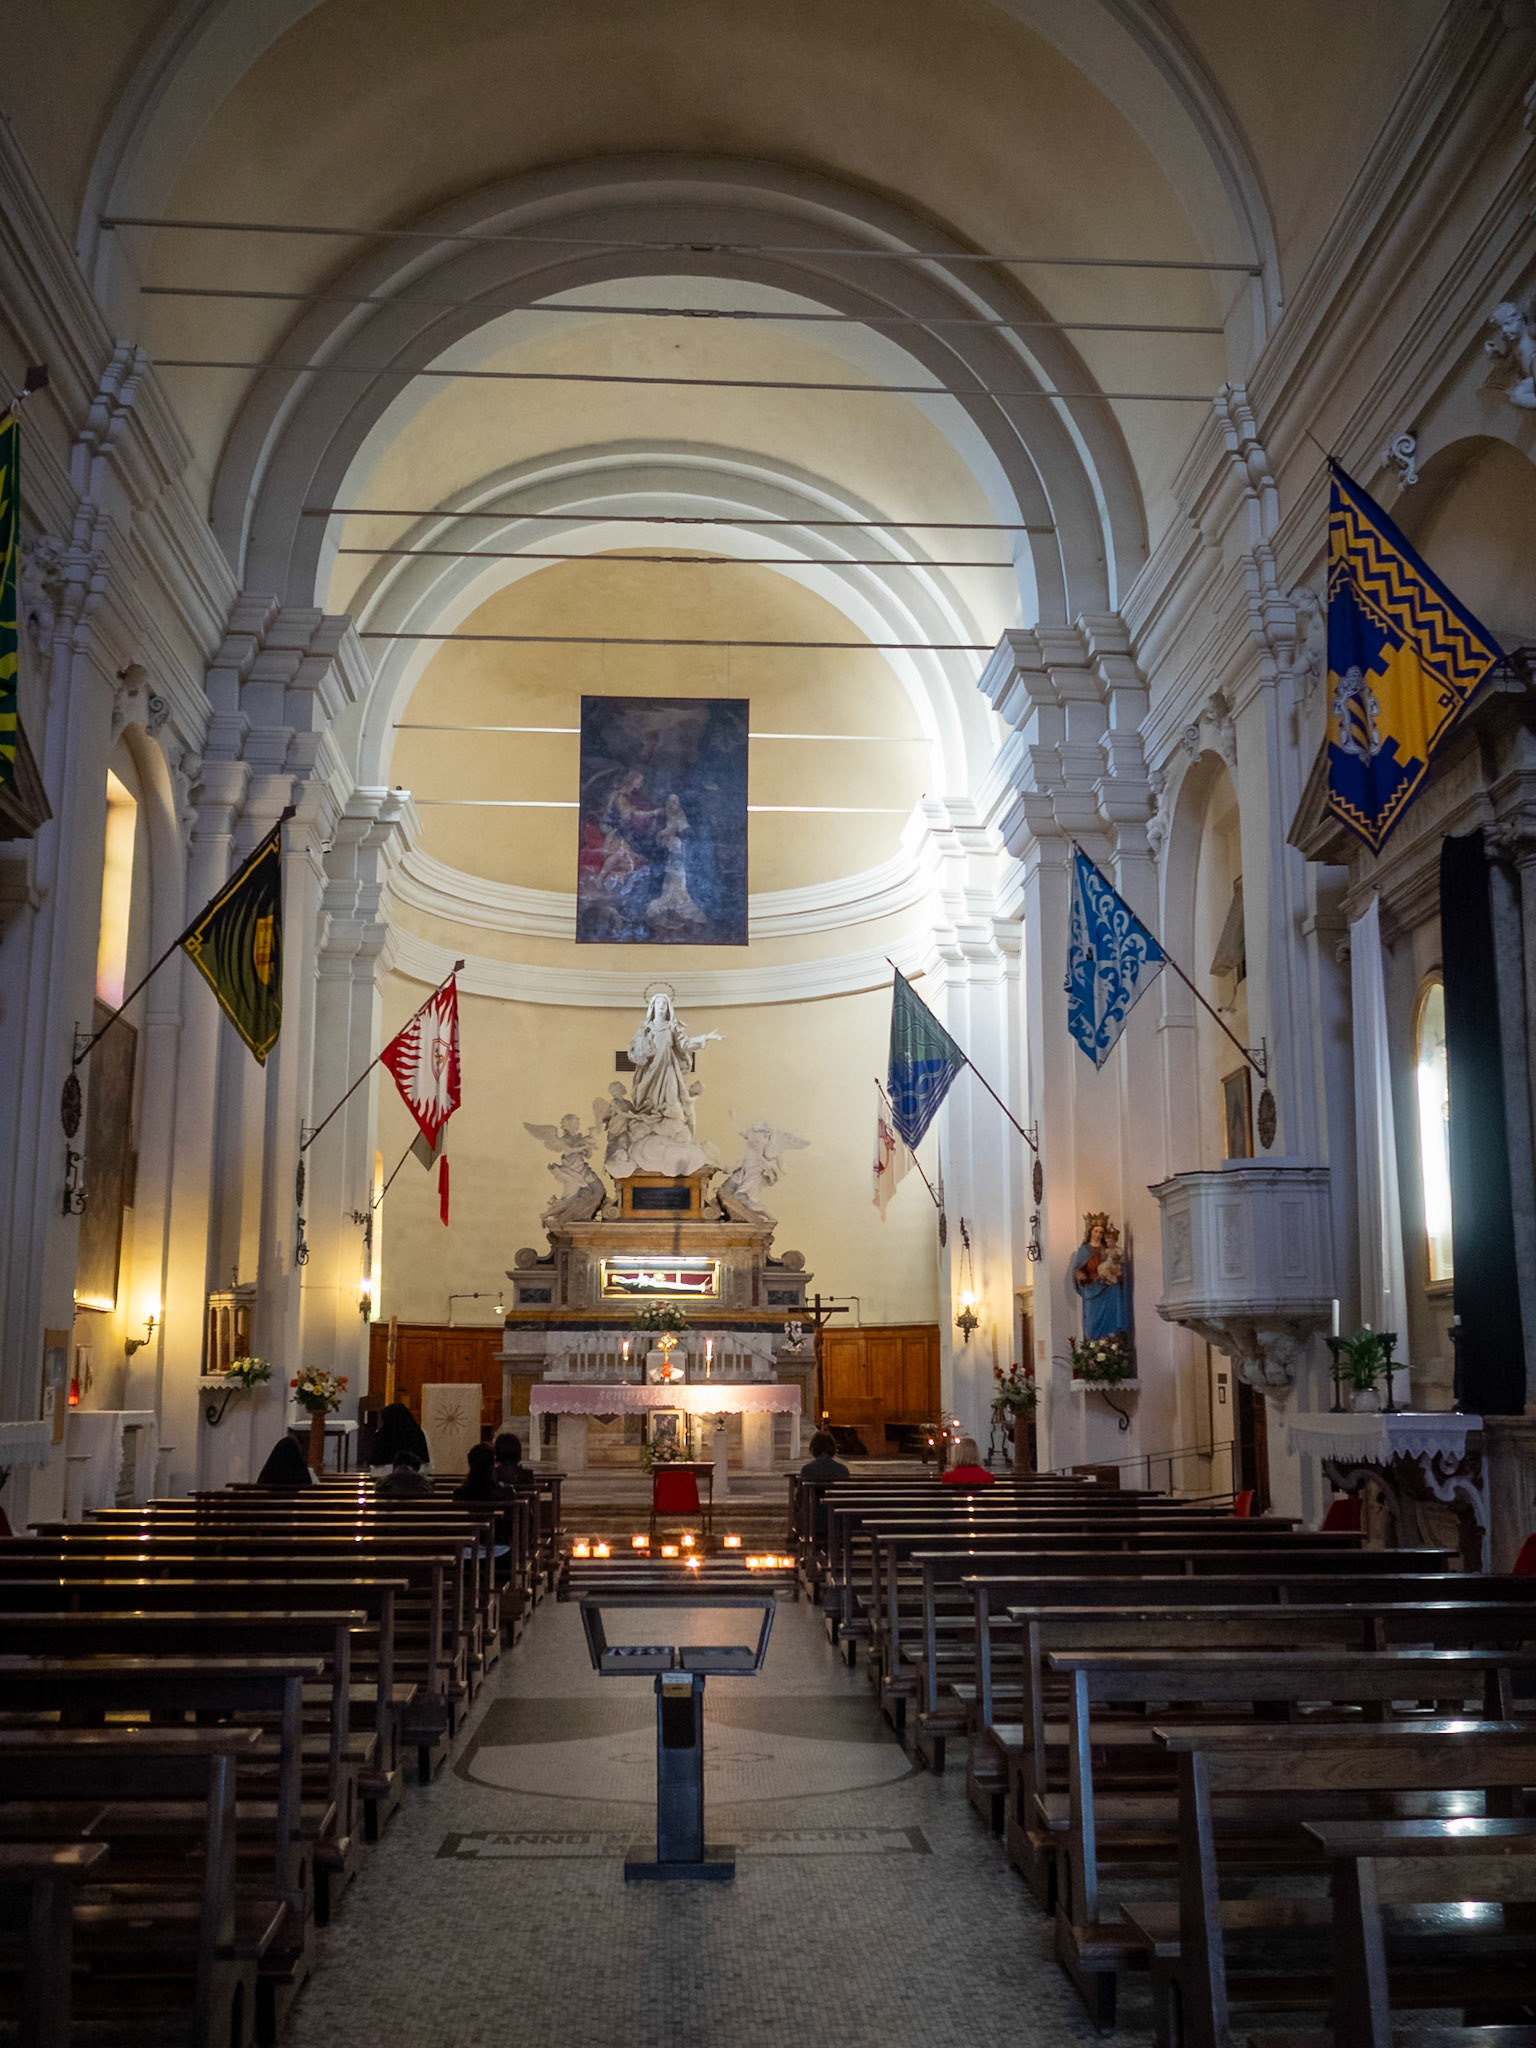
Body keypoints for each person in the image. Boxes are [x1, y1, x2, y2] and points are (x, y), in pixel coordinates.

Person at [799, 1429, 850, 1546]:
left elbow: (801, 1498)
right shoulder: (842, 1470)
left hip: (813, 1520)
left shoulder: (807, 1470)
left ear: (813, 1448)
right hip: (838, 1519)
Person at [369, 1401, 430, 1470]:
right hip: (414, 1475)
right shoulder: (417, 1433)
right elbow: (425, 1462)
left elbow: (375, 1464)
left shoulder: (382, 1435)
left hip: (387, 1477)